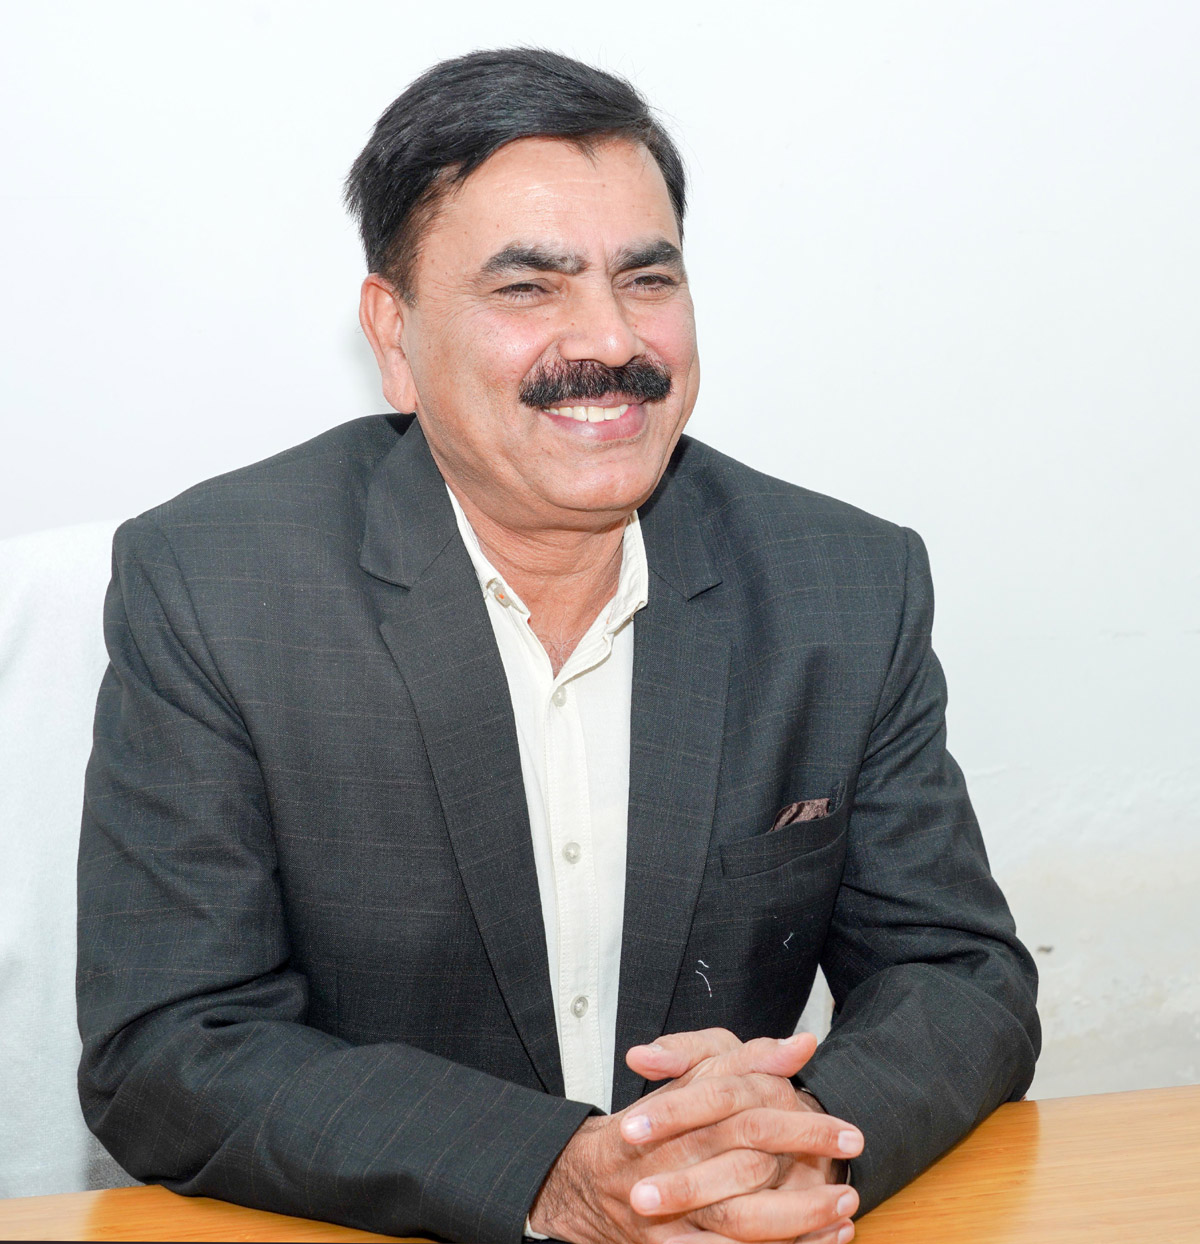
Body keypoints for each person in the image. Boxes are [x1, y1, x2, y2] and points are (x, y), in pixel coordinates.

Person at [77, 48, 1039, 1244]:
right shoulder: (216, 587)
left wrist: (796, 1135)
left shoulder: (843, 583)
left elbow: (962, 977)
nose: (611, 340)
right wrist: (552, 1173)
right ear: (394, 334)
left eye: (647, 278)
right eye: (529, 287)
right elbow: (170, 1044)